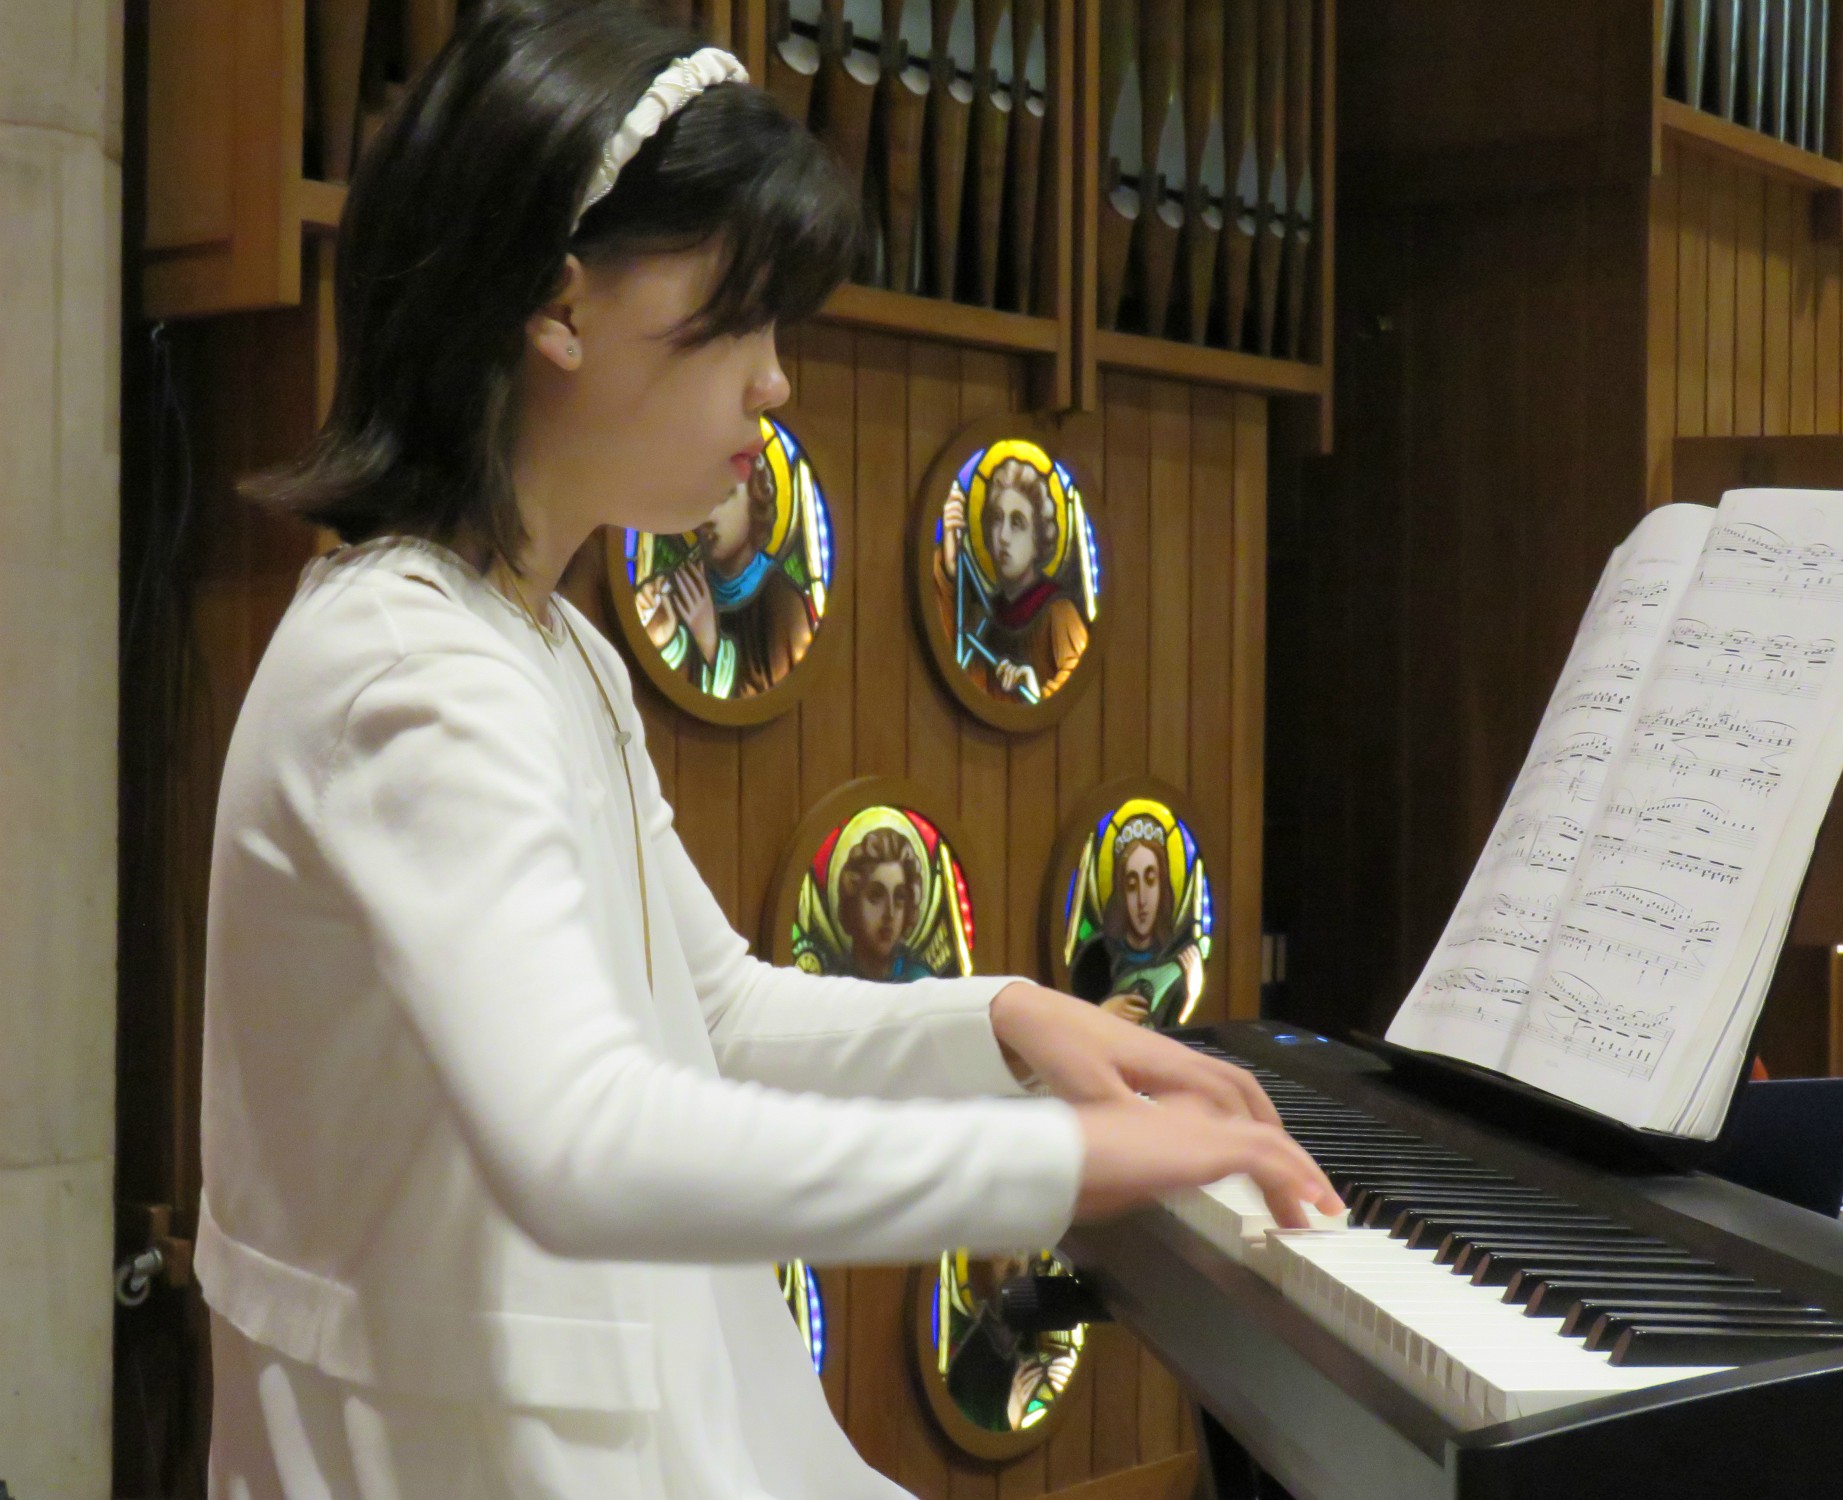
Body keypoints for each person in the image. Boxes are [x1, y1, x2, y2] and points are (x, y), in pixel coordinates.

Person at [201, 5, 1338, 1497]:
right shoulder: (408, 675)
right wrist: (1065, 1169)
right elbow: (586, 1143)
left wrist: (1002, 1019)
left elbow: (715, 1014)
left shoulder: (551, 647)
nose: (774, 384)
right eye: (739, 319)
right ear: (558, 307)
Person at [634, 444, 815, 697]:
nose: (708, 516)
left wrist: (709, 640)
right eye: (701, 502)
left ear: (756, 503)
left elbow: (765, 708)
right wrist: (664, 637)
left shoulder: (785, 604)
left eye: (723, 497)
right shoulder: (682, 591)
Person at [935, 456, 1089, 703]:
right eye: (996, 519)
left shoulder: (1060, 613)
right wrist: (951, 567)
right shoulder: (983, 616)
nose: (1003, 536)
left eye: (1017, 523)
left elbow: (1081, 683)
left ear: (1039, 538)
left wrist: (1036, 693)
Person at [1073, 818, 1204, 1028]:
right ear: (1120, 892)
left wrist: (1192, 996)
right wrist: (1103, 1012)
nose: (1142, 899)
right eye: (1132, 885)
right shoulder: (1095, 957)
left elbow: (1174, 1040)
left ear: (1163, 888)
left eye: (1151, 881)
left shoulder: (1181, 955)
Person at [833, 827, 934, 982]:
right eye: (876, 896)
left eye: (900, 897)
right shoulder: (832, 982)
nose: (890, 913)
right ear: (852, 906)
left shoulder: (919, 983)